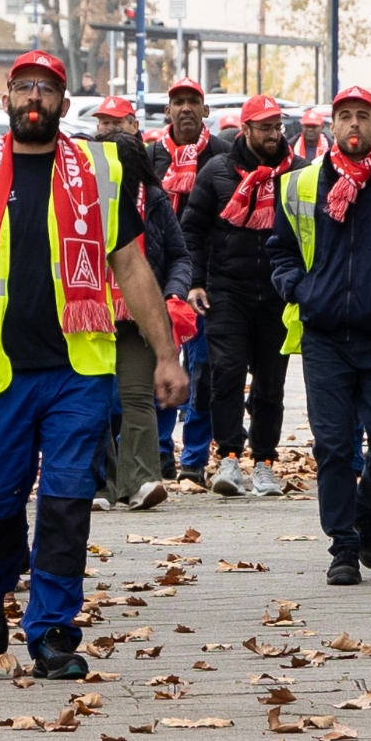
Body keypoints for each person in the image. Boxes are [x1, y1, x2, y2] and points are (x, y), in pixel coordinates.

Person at [0, 53, 188, 678]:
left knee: (68, 502)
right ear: (7, 99)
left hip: (78, 370)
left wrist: (166, 353)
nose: (33, 97)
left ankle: (52, 631)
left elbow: (130, 266)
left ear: (65, 105)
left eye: (46, 88)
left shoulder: (100, 171)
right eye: (23, 87)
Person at [268, 86, 371, 587]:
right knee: (334, 446)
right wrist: (299, 290)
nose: (355, 126)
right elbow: (279, 250)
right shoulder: (301, 184)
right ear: (332, 125)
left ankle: (365, 509)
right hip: (323, 336)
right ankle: (342, 546)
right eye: (346, 117)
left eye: (364, 117)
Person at [184, 94, 295, 498]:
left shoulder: (296, 173)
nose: (272, 134)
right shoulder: (217, 171)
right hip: (226, 290)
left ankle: (264, 461)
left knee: (270, 382)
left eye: (276, 126)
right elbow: (192, 231)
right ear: (245, 130)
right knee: (226, 372)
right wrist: (195, 282)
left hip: (277, 293)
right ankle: (229, 455)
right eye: (264, 127)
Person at [91, 96, 191, 511]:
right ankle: (99, 484)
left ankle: (141, 480)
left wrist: (174, 294)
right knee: (91, 400)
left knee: (135, 397)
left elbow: (180, 256)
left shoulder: (153, 198)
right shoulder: (81, 198)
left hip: (139, 312)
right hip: (89, 311)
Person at [147, 77, 223, 483]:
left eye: (194, 101)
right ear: (168, 111)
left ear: (205, 109)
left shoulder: (222, 156)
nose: (186, 108)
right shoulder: (151, 158)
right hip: (159, 284)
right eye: (178, 101)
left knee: (203, 371)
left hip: (206, 284)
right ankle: (160, 453)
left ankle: (194, 457)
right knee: (161, 366)